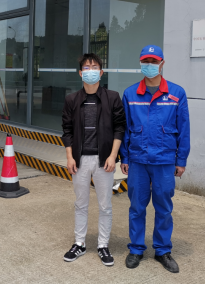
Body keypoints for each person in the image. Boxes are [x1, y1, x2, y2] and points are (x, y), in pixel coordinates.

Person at [120, 45, 190, 274]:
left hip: (164, 161)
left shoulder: (177, 93)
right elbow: (125, 129)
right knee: (136, 207)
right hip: (138, 160)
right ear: (140, 63)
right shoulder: (130, 94)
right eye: (145, 61)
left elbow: (184, 129)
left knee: (164, 208)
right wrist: (124, 157)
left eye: (153, 61)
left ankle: (162, 250)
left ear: (162, 63)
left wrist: (181, 160)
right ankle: (136, 249)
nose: (149, 65)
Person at [62, 53, 126, 267]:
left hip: (103, 160)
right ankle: (79, 243)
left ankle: (103, 245)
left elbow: (119, 128)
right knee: (80, 203)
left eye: (95, 67)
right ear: (81, 73)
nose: (91, 71)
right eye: (87, 67)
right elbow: (67, 130)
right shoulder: (72, 100)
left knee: (105, 205)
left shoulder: (112, 98)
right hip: (80, 160)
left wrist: (113, 156)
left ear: (101, 72)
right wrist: (70, 156)